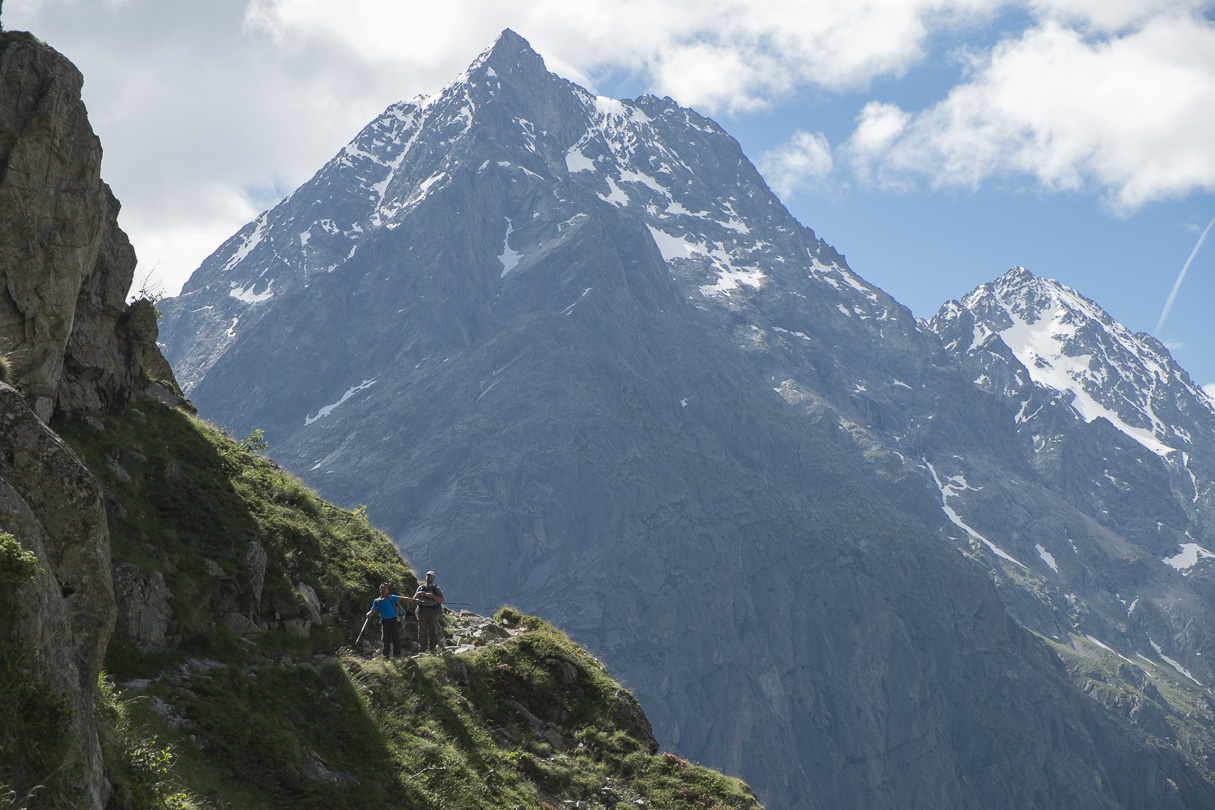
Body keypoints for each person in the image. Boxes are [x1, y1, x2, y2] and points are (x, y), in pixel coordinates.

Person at [366, 582, 406, 658]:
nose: (384, 590)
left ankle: (397, 656)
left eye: (386, 588)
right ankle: (385, 656)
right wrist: (368, 614)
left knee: (396, 639)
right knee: (385, 640)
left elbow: (403, 598)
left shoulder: (391, 597)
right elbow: (373, 611)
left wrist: (414, 600)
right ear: (380, 589)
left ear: (388, 590)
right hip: (384, 622)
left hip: (394, 621)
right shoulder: (377, 601)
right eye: (383, 588)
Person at [414, 570, 446, 653]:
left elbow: (442, 600)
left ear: (433, 578)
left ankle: (433, 649)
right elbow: (414, 600)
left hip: (432, 610)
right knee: (422, 630)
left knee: (433, 629)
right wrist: (418, 594)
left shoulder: (436, 589)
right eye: (428, 576)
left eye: (430, 576)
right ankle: (422, 649)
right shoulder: (421, 588)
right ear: (426, 577)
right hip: (422, 610)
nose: (429, 577)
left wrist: (432, 596)